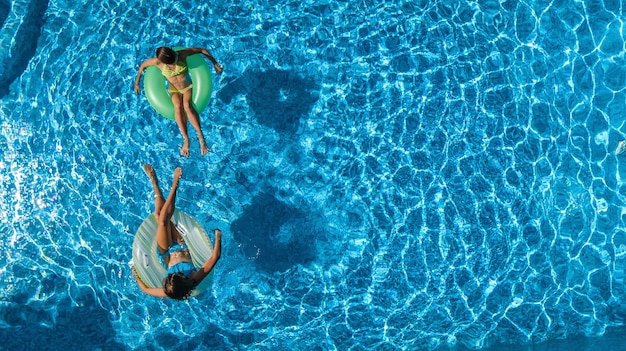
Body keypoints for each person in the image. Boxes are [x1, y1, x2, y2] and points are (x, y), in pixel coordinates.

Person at [132, 164, 222, 299]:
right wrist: (218, 236)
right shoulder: (194, 280)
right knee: (160, 216)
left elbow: (146, 290)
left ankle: (161, 183)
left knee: (161, 218)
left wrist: (136, 275)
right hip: (181, 244)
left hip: (165, 252)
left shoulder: (168, 290)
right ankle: (167, 184)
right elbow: (215, 257)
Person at [134, 47, 223, 156]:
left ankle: (201, 138)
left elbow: (202, 50)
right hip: (173, 89)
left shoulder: (182, 54)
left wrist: (215, 63)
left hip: (187, 87)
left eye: (175, 58)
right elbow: (142, 66)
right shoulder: (157, 62)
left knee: (187, 105)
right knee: (177, 106)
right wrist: (137, 83)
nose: (176, 61)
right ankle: (186, 139)